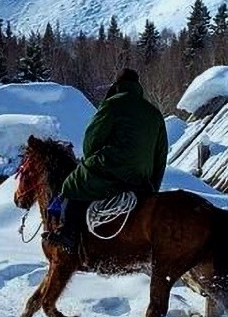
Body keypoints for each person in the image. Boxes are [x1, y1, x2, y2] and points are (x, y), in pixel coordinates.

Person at [42, 67, 169, 253]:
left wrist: (91, 162)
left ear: (117, 85)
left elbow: (91, 141)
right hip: (140, 176)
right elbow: (161, 155)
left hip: (111, 167)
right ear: (138, 87)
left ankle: (68, 234)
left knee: (73, 184)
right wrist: (152, 187)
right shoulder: (154, 113)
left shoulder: (112, 105)